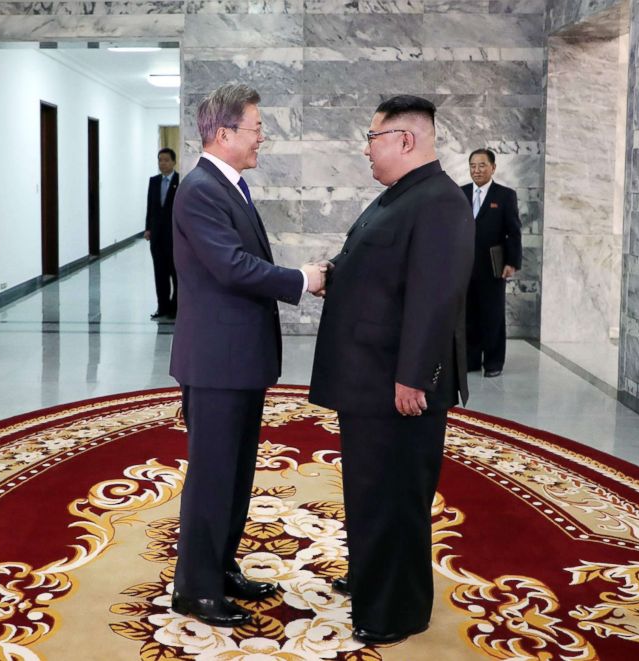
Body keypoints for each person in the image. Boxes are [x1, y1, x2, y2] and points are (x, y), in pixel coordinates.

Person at [309, 95, 474, 645]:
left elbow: (435, 298)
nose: (366, 149)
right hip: (369, 379)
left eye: (373, 137)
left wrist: (414, 376)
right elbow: (381, 269)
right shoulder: (401, 196)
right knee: (369, 489)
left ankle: (395, 610)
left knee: (397, 496)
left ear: (406, 139)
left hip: (397, 386)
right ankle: (370, 578)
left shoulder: (439, 201)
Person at [169, 83, 327, 627]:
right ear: (223, 133)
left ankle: (221, 566)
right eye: (257, 128)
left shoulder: (227, 185)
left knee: (236, 473)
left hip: (236, 359)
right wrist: (300, 279)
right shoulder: (199, 190)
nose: (263, 138)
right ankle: (195, 587)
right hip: (216, 362)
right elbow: (233, 267)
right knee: (213, 476)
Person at [461, 148, 522, 377]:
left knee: (492, 314)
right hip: (465, 266)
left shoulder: (505, 195)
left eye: (482, 165)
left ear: (493, 168)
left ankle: (494, 363)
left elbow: (513, 232)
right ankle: (471, 360)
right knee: (468, 313)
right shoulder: (461, 193)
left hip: (493, 265)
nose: (477, 170)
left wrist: (512, 262)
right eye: (473, 166)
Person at [145, 148, 180, 320]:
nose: (163, 163)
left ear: (174, 162)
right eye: (160, 160)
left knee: (176, 274)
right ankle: (162, 307)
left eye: (166, 160)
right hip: (157, 237)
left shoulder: (180, 180)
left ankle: (175, 308)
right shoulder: (154, 181)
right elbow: (150, 207)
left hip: (174, 237)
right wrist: (148, 228)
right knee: (160, 274)